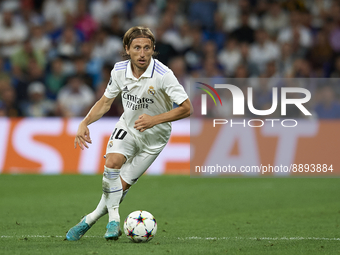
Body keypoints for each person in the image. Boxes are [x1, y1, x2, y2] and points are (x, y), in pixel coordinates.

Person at [65, 26, 192, 241]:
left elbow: (186, 107)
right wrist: (84, 122)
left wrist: (154, 120)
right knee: (112, 163)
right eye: (136, 48)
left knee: (119, 187)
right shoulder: (119, 71)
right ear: (127, 49)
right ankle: (114, 219)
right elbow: (105, 102)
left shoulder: (163, 75)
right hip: (128, 127)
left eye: (146, 48)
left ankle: (89, 219)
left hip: (155, 138)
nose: (142, 53)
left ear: (153, 50)